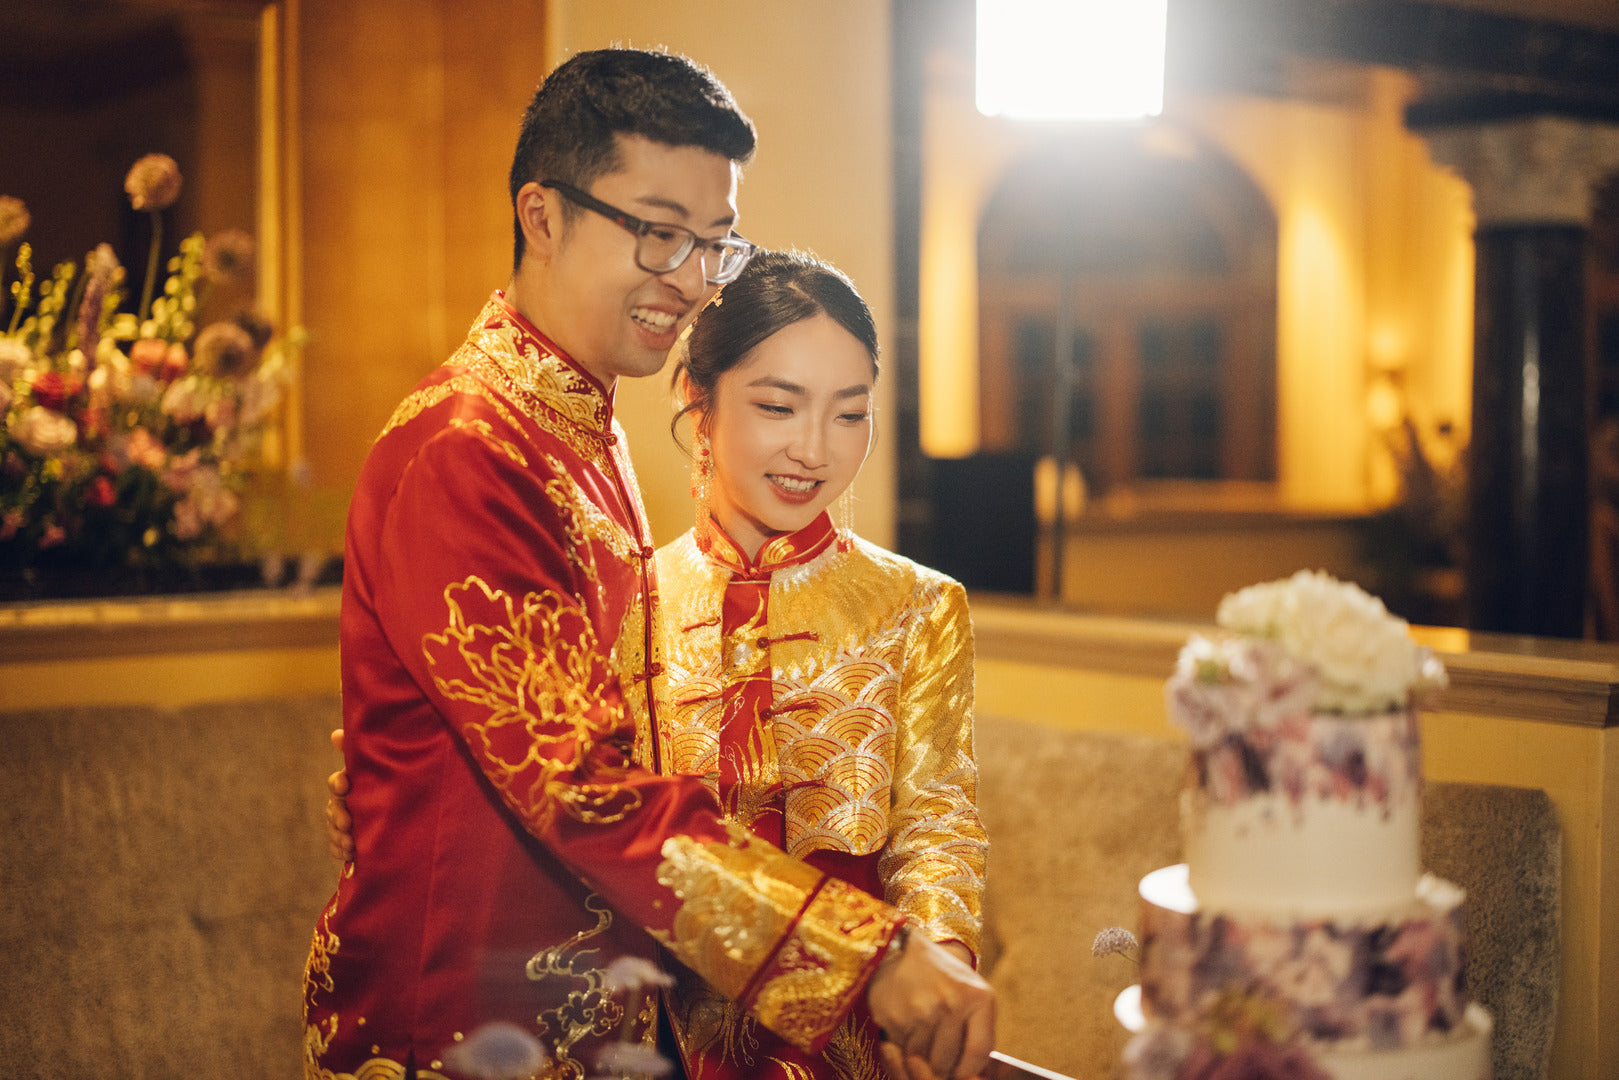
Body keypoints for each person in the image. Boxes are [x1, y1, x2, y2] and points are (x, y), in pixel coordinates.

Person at [305, 48, 993, 1080]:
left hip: (590, 1024)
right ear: (541, 216)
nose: (687, 281)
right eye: (658, 233)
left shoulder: (580, 434)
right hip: (458, 1028)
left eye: (711, 243)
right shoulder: (466, 450)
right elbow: (581, 785)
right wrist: (862, 954)